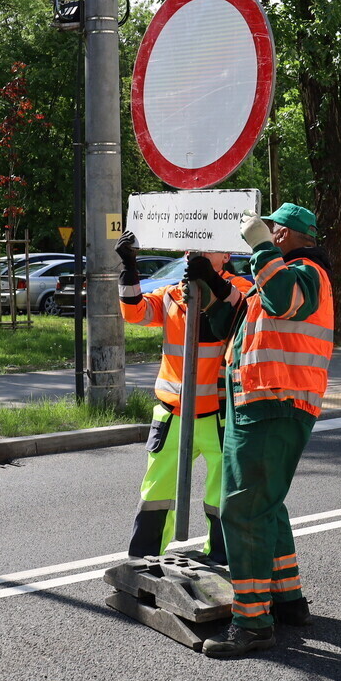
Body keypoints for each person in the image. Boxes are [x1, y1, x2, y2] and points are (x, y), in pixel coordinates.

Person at [194, 202, 334, 659]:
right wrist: (212, 282)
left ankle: (252, 622)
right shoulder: (276, 273)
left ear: (287, 235)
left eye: (273, 229)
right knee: (266, 504)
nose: (267, 234)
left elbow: (282, 299)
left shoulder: (307, 272)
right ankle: (287, 600)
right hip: (262, 402)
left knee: (243, 510)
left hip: (273, 402)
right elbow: (230, 322)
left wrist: (257, 246)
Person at [117, 231, 253, 562]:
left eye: (213, 247)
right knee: (156, 494)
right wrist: (128, 266)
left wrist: (212, 284)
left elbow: (242, 314)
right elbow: (135, 312)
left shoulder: (242, 290)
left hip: (220, 416)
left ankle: (223, 561)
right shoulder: (172, 295)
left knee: (223, 496)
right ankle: (143, 561)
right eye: (197, 246)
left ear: (226, 257)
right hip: (174, 414)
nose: (203, 253)